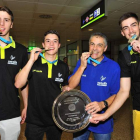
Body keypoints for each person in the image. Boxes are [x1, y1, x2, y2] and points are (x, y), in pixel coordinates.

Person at [90, 12, 140, 140]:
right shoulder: (124, 55)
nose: (130, 30)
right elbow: (124, 91)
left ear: (139, 26)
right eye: (125, 28)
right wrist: (105, 115)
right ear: (122, 33)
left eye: (133, 25)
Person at [15, 30, 69, 140]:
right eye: (48, 41)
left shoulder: (63, 66)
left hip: (55, 118)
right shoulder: (33, 63)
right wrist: (31, 61)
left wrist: (66, 89)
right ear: (43, 45)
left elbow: (63, 86)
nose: (51, 44)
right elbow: (18, 84)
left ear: (59, 45)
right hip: (34, 118)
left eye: (55, 41)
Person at [68, 32, 120, 140]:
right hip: (81, 117)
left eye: (99, 45)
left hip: (102, 120)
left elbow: (117, 94)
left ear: (105, 48)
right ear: (89, 46)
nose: (95, 48)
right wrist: (82, 66)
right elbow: (71, 85)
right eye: (92, 44)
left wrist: (103, 104)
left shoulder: (113, 67)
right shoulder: (82, 62)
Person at [0, 6, 28, 140]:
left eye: (6, 20)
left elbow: (24, 83)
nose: (1, 23)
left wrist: (26, 105)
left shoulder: (21, 51)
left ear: (12, 24)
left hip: (11, 111)